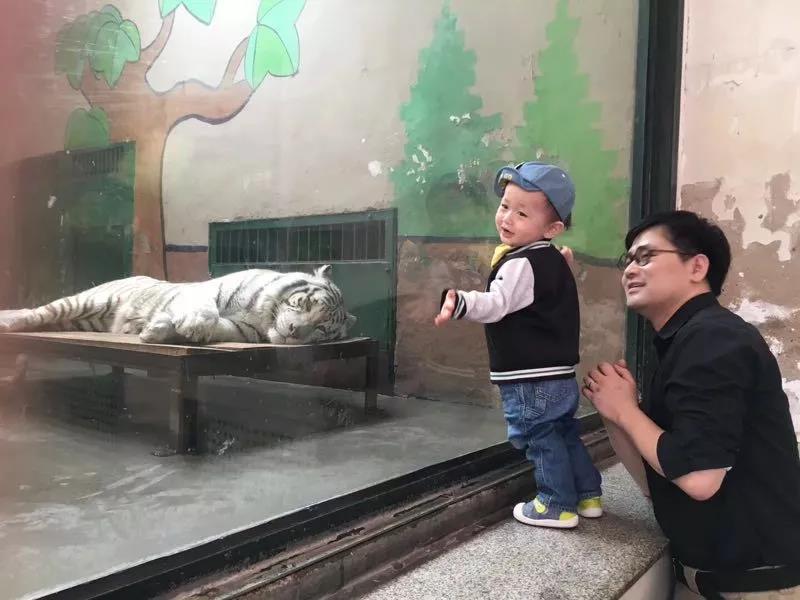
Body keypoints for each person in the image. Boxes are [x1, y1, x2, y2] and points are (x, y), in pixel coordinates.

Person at [582, 210, 800, 598]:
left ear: (697, 266)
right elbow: (656, 482)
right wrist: (615, 412)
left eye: (646, 256)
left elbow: (699, 479)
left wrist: (627, 410)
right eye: (627, 260)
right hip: (705, 579)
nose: (630, 269)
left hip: (755, 587)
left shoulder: (714, 339)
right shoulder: (682, 342)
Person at [434, 161, 602, 529]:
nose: (507, 218)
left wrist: (460, 301)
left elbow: (497, 304)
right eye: (505, 206)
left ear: (553, 228)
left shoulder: (521, 263)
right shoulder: (551, 258)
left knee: (537, 436)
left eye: (522, 213)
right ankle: (588, 494)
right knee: (563, 433)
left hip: (530, 377)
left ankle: (556, 504)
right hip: (559, 374)